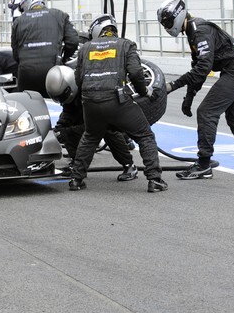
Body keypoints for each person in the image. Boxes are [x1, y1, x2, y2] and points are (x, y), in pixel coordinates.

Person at [157, 0, 234, 178]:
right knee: (233, 113)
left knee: (206, 112)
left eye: (167, 21)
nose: (166, 26)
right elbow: (198, 67)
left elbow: (203, 68)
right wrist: (188, 98)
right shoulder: (192, 31)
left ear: (178, 15)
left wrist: (173, 86)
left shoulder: (199, 31)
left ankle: (204, 164)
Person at [68, 14, 167, 193]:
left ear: (97, 31)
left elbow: (78, 78)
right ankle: (155, 179)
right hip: (116, 102)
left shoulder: (86, 48)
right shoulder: (126, 44)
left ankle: (76, 179)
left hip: (89, 102)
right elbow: (136, 73)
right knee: (145, 135)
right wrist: (145, 92)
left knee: (90, 137)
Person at [45, 64, 139, 181]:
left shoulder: (91, 90)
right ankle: (76, 164)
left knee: (107, 131)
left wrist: (64, 133)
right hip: (88, 109)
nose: (60, 101)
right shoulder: (71, 94)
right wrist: (58, 131)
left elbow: (95, 126)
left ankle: (129, 165)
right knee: (65, 130)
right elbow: (68, 114)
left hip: (107, 112)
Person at [10, 0, 79, 97]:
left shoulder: (18, 21)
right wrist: (64, 58)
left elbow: (15, 52)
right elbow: (73, 41)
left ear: (26, 4)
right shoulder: (60, 15)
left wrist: (25, 62)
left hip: (26, 74)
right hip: (54, 72)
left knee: (29, 108)